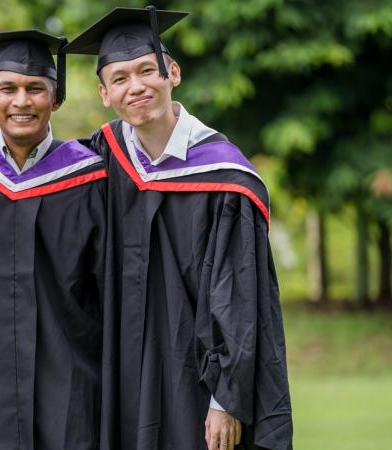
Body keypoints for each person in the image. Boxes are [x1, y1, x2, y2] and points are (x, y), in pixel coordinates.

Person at [64, 6, 293, 450]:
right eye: (120, 78)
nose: (136, 86)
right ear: (105, 94)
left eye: (146, 71)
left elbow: (240, 298)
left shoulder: (225, 177)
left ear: (173, 73)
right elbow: (26, 175)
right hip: (124, 380)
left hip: (198, 388)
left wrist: (225, 400)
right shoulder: (103, 158)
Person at [0, 30, 108, 449]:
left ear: (56, 99)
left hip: (67, 378)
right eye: (8, 89)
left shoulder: (90, 176)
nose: (21, 101)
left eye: (35, 89)